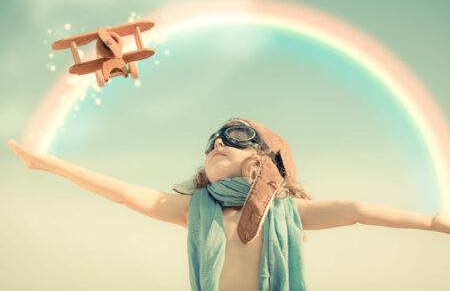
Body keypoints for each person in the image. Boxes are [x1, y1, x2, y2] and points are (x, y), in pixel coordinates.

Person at [7, 117, 450, 291]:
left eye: (235, 137)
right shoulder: (196, 209)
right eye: (212, 141)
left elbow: (355, 211)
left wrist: (433, 220)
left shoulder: (285, 212)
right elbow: (123, 193)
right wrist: (50, 165)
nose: (219, 141)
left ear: (263, 159)